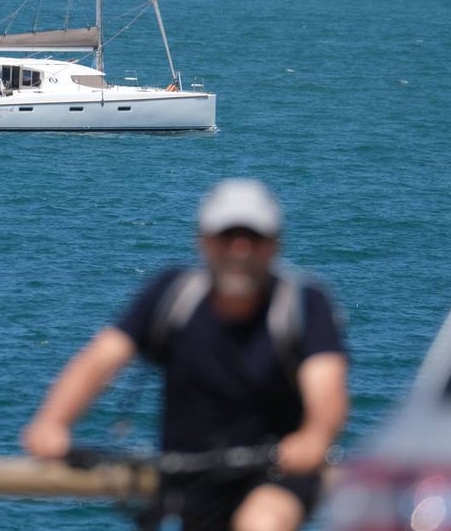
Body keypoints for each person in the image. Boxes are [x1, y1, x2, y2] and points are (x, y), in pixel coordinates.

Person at [22, 178, 348, 531]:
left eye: (253, 239)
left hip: (277, 471)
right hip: (192, 475)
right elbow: (102, 358)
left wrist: (315, 437)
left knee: (262, 521)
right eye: (227, 237)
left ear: (274, 246)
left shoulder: (303, 304)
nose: (240, 251)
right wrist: (52, 422)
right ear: (203, 242)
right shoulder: (173, 295)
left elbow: (327, 385)